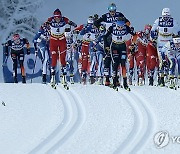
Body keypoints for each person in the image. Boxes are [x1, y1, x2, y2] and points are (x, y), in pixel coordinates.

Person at [94, 3, 131, 86]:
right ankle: (107, 79)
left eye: (113, 9)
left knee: (117, 60)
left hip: (118, 37)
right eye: (111, 9)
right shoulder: (105, 16)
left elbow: (128, 22)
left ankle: (116, 79)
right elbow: (96, 23)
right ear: (108, 10)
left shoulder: (119, 15)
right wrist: (100, 27)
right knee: (107, 58)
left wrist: (124, 27)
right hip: (108, 37)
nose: (112, 11)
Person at [46, 8, 77, 88]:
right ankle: (52, 78)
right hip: (53, 41)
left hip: (62, 40)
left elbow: (71, 23)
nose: (57, 19)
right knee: (54, 59)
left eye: (59, 17)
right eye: (56, 17)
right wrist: (45, 27)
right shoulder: (50, 20)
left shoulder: (64, 19)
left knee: (63, 59)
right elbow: (44, 25)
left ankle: (64, 77)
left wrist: (73, 25)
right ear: (54, 17)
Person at [151, 8, 179, 86]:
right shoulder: (158, 21)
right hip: (160, 41)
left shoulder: (173, 21)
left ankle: (169, 75)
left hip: (169, 41)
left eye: (167, 17)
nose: (166, 19)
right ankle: (161, 78)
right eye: (164, 17)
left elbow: (178, 30)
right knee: (161, 60)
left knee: (170, 59)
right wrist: (153, 37)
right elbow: (152, 30)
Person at [104, 20, 135, 90]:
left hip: (122, 47)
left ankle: (125, 83)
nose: (120, 28)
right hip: (114, 47)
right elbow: (105, 36)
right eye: (119, 27)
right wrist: (106, 46)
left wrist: (133, 44)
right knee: (115, 64)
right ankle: (114, 82)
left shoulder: (126, 28)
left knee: (123, 64)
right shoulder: (112, 27)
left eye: (121, 27)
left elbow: (135, 35)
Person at [75, 15, 99, 84]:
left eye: (92, 24)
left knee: (93, 58)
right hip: (85, 44)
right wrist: (76, 32)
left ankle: (94, 74)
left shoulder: (96, 27)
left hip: (93, 44)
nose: (90, 25)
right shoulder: (84, 26)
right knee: (84, 58)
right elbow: (77, 30)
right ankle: (84, 73)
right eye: (89, 24)